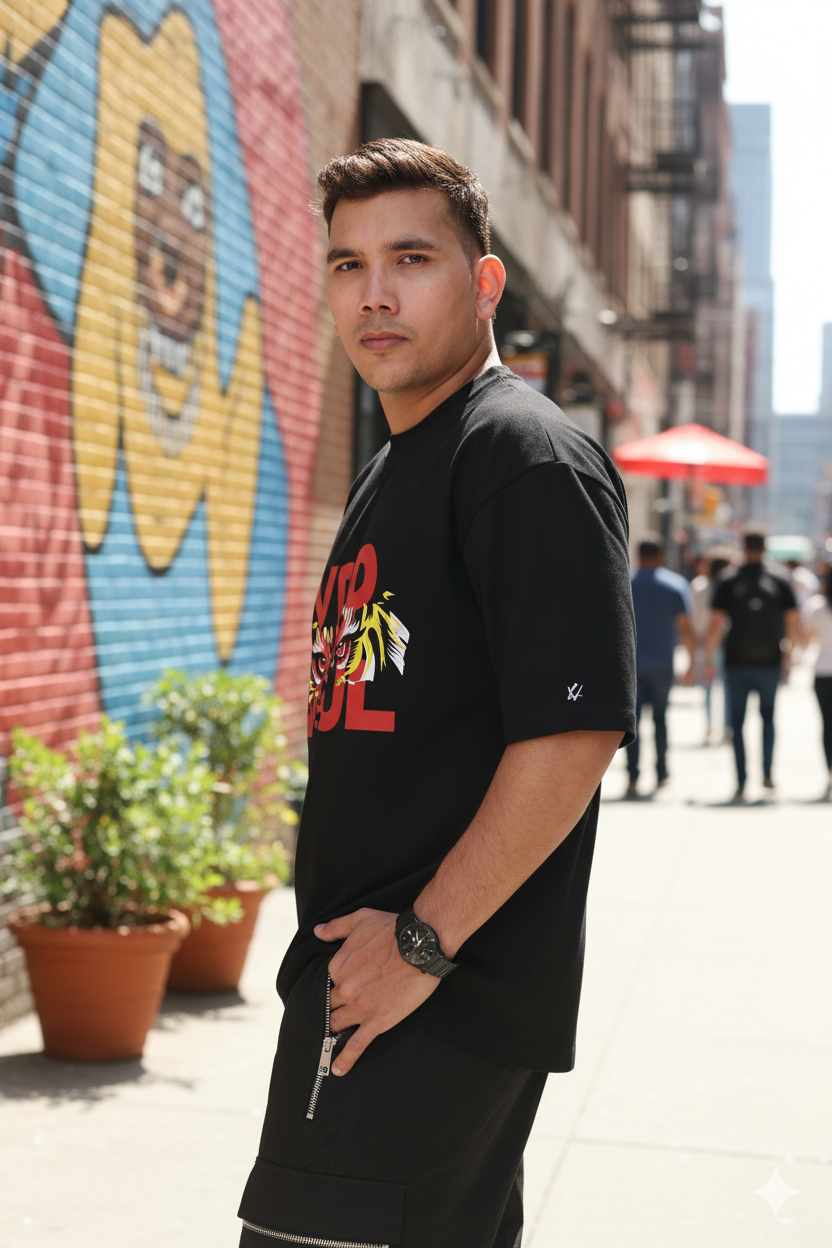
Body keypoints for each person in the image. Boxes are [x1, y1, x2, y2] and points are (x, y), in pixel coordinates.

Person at [236, 139, 636, 1248]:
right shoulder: (403, 457)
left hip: (427, 994)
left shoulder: (522, 458)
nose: (374, 292)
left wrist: (418, 945)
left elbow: (572, 729)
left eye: (410, 257)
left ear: (484, 282)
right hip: (369, 987)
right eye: (346, 263)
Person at [705, 529, 798, 800]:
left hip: (736, 661)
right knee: (768, 718)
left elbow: (716, 623)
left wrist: (709, 657)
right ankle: (767, 774)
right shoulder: (779, 580)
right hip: (769, 660)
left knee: (737, 722)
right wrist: (789, 655)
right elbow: (792, 620)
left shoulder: (729, 579)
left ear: (743, 548)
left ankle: (741, 780)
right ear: (765, 548)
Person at [625, 535, 696, 797]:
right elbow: (686, 628)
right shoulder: (675, 585)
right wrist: (690, 662)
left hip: (630, 667)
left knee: (631, 723)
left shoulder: (625, 582)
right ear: (661, 556)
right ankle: (662, 771)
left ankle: (632, 776)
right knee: (660, 720)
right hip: (663, 665)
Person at [690, 551, 732, 742]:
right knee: (726, 688)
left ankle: (708, 727)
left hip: (703, 642)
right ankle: (727, 728)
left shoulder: (699, 586)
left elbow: (693, 617)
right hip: (725, 643)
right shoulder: (729, 586)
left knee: (707, 688)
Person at [800, 565, 832, 799]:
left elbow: (807, 638)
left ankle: (830, 773)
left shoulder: (817, 607)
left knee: (828, 726)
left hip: (823, 671)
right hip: (822, 671)